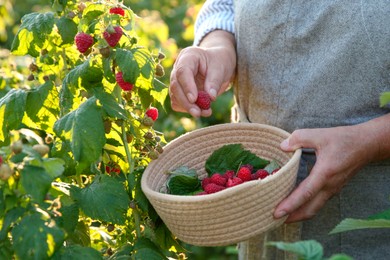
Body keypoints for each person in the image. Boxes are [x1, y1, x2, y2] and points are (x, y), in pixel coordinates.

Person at [169, 0, 390, 259]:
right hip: (258, 209)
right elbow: (226, 4)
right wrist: (217, 45)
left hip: (368, 213)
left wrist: (372, 140)